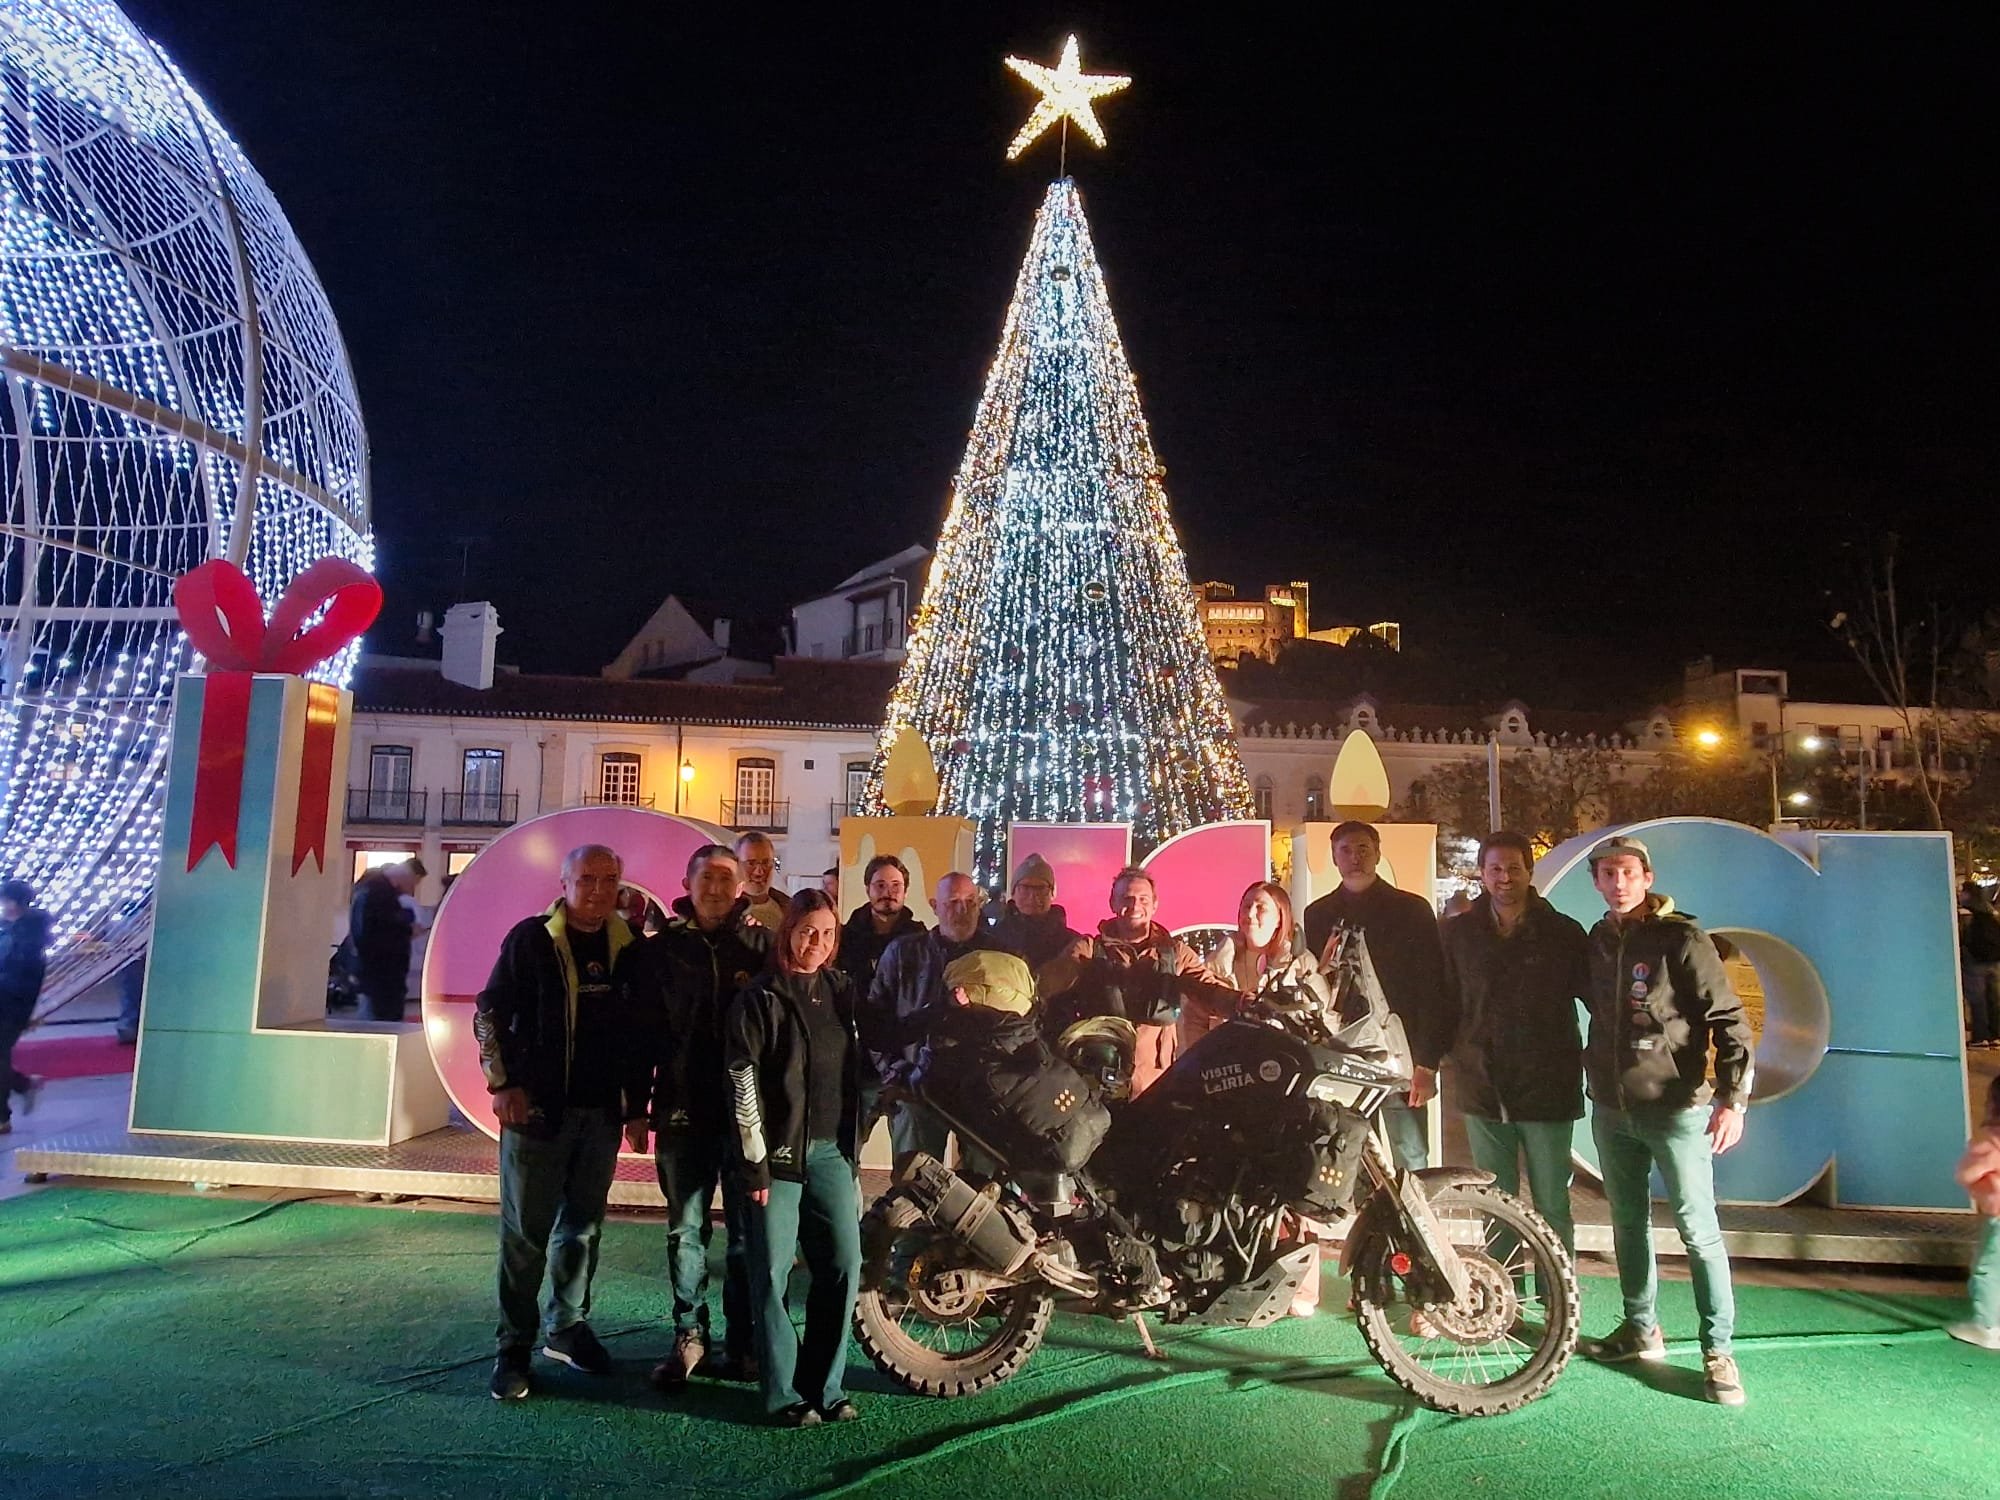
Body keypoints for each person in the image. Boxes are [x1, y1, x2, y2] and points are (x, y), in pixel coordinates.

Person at [476, 844, 658, 1401]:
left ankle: (567, 1327)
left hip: (600, 1116)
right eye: (588, 879)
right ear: (564, 881)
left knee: (582, 1228)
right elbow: (488, 1013)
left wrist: (633, 1109)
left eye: (609, 878)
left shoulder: (630, 948)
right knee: (526, 1236)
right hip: (537, 1116)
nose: (599, 889)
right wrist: (502, 1084)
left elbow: (637, 1038)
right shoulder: (530, 940)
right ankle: (513, 1348)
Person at [1578, 834, 1752, 1408]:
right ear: (1597, 882)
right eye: (1607, 873)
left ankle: (1718, 1349)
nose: (1618, 883)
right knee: (1627, 1223)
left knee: (1698, 1230)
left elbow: (1727, 1018)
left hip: (1676, 1110)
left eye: (1628, 872)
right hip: (1612, 1108)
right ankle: (1640, 1327)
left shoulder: (1682, 938)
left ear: (1647, 877)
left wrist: (1732, 1099)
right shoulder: (1598, 939)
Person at [724, 890, 865, 1427]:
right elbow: (741, 1079)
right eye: (809, 931)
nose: (818, 943)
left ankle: (824, 1386)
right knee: (773, 1273)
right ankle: (783, 1393)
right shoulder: (760, 998)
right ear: (788, 932)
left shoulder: (840, 992)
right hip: (775, 1162)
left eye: (828, 934)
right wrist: (754, 1165)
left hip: (831, 1154)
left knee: (844, 1266)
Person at [649, 843, 771, 1391]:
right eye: (707, 878)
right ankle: (689, 1336)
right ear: (688, 883)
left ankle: (743, 1343)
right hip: (681, 1110)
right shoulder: (662, 952)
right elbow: (639, 1033)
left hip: (746, 1119)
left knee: (747, 1235)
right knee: (686, 1231)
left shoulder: (765, 948)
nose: (717, 888)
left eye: (727, 878)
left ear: (742, 885)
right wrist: (636, 1104)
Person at [1439, 831, 1590, 1255]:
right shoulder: (1460, 934)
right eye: (1496, 869)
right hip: (1483, 1088)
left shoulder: (1562, 933)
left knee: (1552, 1205)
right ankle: (1503, 1302)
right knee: (1496, 1205)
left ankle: (1557, 1303)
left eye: (1514, 868)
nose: (1505, 877)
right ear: (1482, 874)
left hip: (1548, 1089)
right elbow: (1447, 1001)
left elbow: (1599, 999)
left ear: (1530, 870)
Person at [1300, 822, 1450, 1169]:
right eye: (1346, 850)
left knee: (1410, 1154)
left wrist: (1427, 1062)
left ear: (1378, 854)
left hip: (1399, 1050)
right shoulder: (1319, 914)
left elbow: (1432, 987)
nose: (1355, 858)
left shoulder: (1411, 910)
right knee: (1355, 1153)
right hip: (1344, 1052)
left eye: (1363, 849)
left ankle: (1414, 1221)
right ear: (1334, 857)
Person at [1039, 866, 1238, 1097]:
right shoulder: (1090, 949)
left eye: (1143, 899)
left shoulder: (1175, 953)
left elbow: (1206, 987)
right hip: (1099, 1080)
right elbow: (1053, 978)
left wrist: (1239, 1002)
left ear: (1155, 904)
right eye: (1127, 898)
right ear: (1112, 904)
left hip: (1155, 1082)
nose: (1135, 906)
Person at [862, 872, 1005, 1168]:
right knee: (914, 1188)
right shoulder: (903, 954)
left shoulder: (1000, 957)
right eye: (953, 902)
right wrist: (894, 1072)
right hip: (917, 1089)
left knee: (986, 1194)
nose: (962, 910)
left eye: (970, 902)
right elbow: (875, 1022)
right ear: (934, 906)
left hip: (982, 1092)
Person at [1191, 881, 1319, 1047]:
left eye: (1261, 908)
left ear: (1279, 918)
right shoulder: (1216, 964)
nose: (1250, 913)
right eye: (1246, 906)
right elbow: (1192, 1021)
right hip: (1228, 1065)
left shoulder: (1300, 962)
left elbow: (1324, 1020)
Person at [1950, 1074, 2000, 1349]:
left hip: (1999, 1219)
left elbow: (1965, 1173)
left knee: (1987, 1270)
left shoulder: (1990, 1142)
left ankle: (1987, 1326)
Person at [988, 853, 1089, 976]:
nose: (1033, 896)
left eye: (1041, 889)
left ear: (1052, 893)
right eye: (1025, 888)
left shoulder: (1071, 944)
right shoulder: (993, 939)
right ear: (1013, 892)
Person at [0, 878, 48, 1133]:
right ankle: (24, 1085)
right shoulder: (7, 930)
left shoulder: (30, 938)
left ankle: (2, 1117)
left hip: (11, 1006)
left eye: (9, 901)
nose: (6, 906)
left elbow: (22, 978)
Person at [836, 854, 924, 993]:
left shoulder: (919, 939)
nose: (888, 892)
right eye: (880, 885)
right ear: (867, 889)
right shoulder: (847, 937)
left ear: (905, 891)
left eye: (896, 885)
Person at [347, 859, 416, 1022]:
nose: (411, 890)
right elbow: (384, 928)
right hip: (381, 971)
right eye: (411, 884)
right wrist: (406, 928)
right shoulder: (380, 895)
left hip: (373, 969)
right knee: (377, 1018)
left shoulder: (367, 891)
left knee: (370, 1012)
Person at [1959, 882, 2000, 1050]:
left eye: (1963, 892)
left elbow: (1964, 938)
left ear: (1968, 894)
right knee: (1994, 999)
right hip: (1995, 961)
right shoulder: (1990, 910)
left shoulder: (1966, 912)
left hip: (1975, 963)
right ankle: (1996, 1036)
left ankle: (1980, 1037)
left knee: (1977, 1001)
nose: (1960, 895)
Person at [736, 832, 790, 932]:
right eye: (751, 863)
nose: (759, 872)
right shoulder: (726, 914)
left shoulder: (790, 909)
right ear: (737, 864)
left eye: (765, 863)